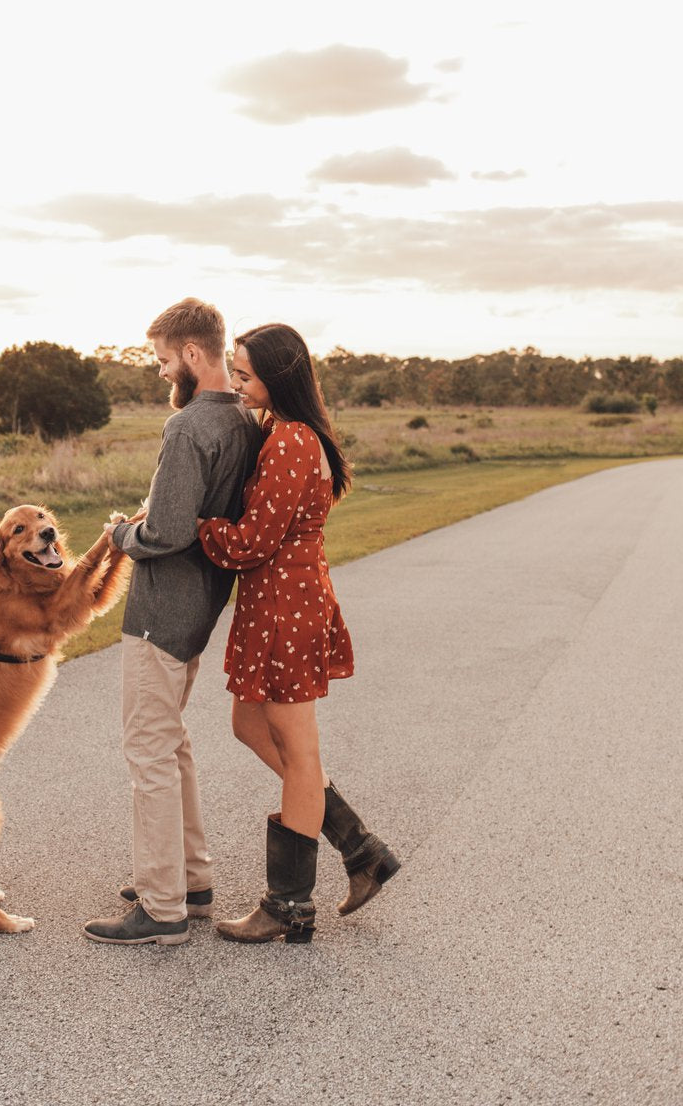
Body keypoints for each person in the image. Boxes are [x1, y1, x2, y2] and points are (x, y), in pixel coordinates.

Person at [197, 323, 399, 944]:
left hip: (287, 606)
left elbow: (255, 540)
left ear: (278, 378)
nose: (236, 383)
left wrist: (196, 526)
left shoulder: (289, 441)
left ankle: (289, 904)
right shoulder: (280, 432)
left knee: (299, 752)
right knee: (249, 725)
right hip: (276, 603)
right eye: (233, 371)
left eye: (246, 375)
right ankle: (358, 847)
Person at [83, 298, 262, 946]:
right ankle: (191, 877)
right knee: (173, 742)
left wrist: (123, 532)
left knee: (148, 751)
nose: (161, 373)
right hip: (202, 607)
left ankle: (161, 908)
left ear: (192, 353)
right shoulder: (242, 419)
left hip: (163, 612)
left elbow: (166, 532)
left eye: (163, 360)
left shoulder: (188, 428)